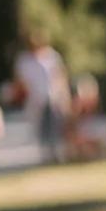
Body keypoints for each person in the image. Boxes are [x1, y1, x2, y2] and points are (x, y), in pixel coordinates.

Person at [13, 30, 71, 163]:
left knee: (56, 125)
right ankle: (46, 154)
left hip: (53, 96)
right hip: (35, 98)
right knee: (40, 127)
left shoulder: (52, 57)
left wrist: (63, 95)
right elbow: (20, 81)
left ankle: (57, 153)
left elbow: (60, 76)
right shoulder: (24, 60)